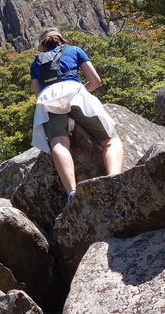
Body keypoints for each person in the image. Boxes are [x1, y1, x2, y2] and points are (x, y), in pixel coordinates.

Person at [30, 27, 124, 202]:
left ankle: (71, 192)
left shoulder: (35, 63)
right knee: (112, 140)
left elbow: (38, 95)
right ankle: (114, 179)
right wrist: (80, 93)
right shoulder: (74, 50)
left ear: (42, 46)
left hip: (49, 99)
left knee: (59, 143)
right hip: (76, 94)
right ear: (62, 40)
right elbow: (96, 81)